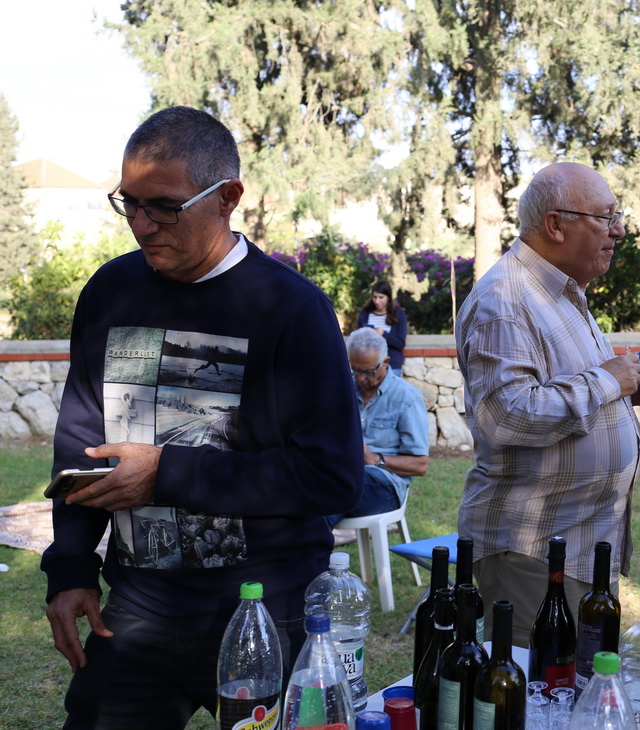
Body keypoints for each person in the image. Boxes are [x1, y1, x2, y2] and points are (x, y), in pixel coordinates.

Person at [41, 106, 365, 729]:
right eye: (129, 203)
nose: (142, 225)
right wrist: (72, 567)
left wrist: (166, 473)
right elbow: (82, 441)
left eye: (164, 206)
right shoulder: (110, 292)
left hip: (266, 610)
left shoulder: (291, 309)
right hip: (138, 608)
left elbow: (332, 477)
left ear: (228, 198)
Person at [455, 161, 640, 645]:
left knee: (578, 680)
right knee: (540, 684)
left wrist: (622, 393)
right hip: (531, 554)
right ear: (555, 225)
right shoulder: (505, 301)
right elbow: (507, 415)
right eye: (607, 217)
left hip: (574, 546)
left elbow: (563, 393)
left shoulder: (560, 291)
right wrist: (607, 382)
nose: (619, 230)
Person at [326, 326, 430, 527]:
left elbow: (420, 465)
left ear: (386, 362)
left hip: (385, 485)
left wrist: (375, 459)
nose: (360, 378)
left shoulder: (406, 397)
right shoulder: (344, 390)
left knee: (331, 489)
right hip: (340, 475)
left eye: (367, 371)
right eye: (354, 370)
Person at [356, 279, 408, 376]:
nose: (377, 301)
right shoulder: (364, 314)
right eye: (374, 297)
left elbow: (400, 343)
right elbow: (357, 341)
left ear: (388, 298)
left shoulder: (399, 314)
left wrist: (382, 334)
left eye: (381, 297)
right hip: (368, 366)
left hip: (391, 366)